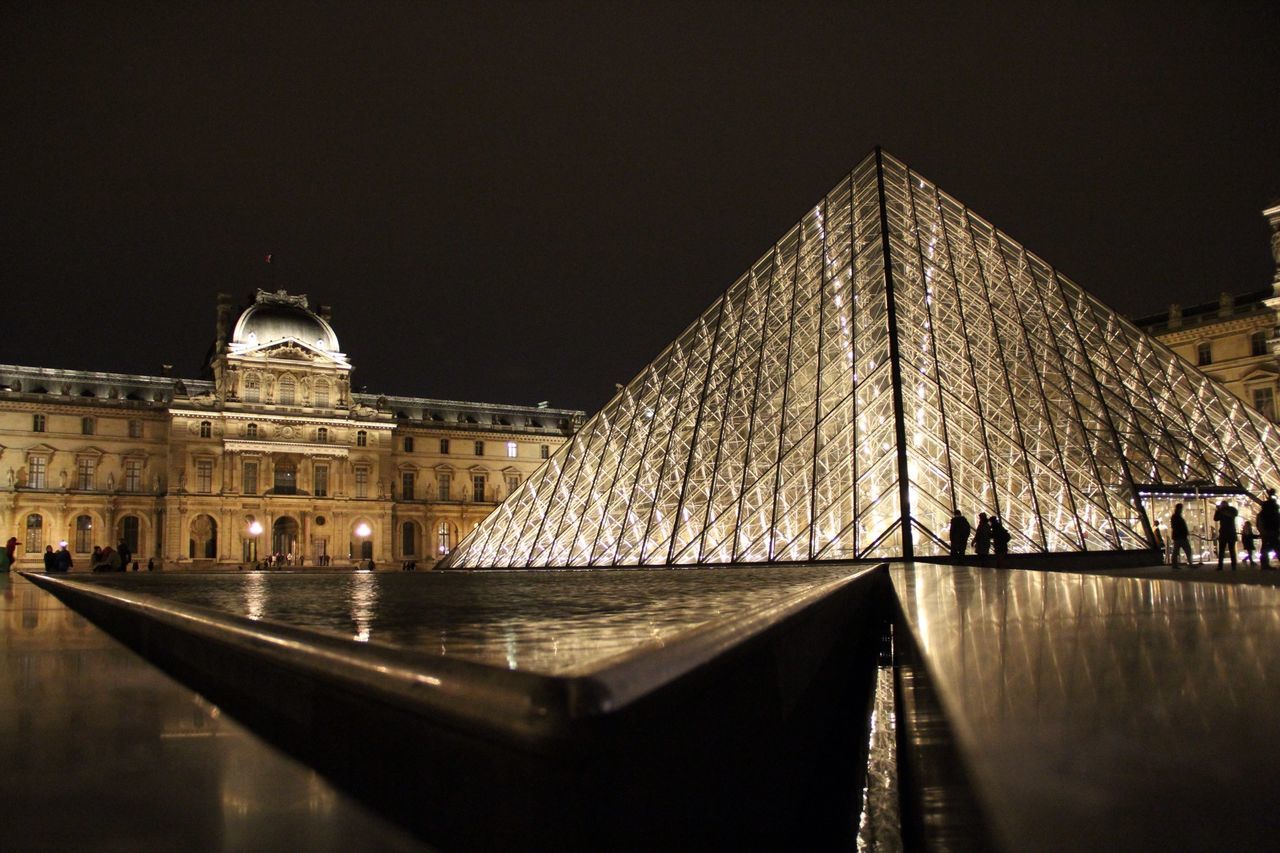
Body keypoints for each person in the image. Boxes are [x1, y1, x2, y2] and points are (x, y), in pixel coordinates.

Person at [1214, 500, 1239, 570]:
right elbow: (1215, 519)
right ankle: (1231, 566)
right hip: (1228, 532)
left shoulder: (1228, 510)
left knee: (1225, 550)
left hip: (1226, 532)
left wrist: (1219, 511)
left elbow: (1216, 518)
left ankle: (1222, 566)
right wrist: (1218, 510)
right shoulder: (1230, 510)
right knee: (1229, 550)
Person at [1259, 489, 1280, 571]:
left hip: (1267, 530)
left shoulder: (1264, 512)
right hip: (1272, 530)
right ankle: (1265, 565)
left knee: (1266, 548)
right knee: (1276, 547)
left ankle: (1264, 565)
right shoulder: (1273, 510)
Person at [1169, 504, 1193, 568]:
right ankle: (1189, 563)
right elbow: (1176, 527)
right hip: (1180, 536)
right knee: (1187, 550)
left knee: (1177, 551)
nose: (1181, 510)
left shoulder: (1176, 516)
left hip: (1178, 536)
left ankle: (1175, 564)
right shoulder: (1176, 517)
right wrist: (1183, 532)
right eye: (1181, 508)